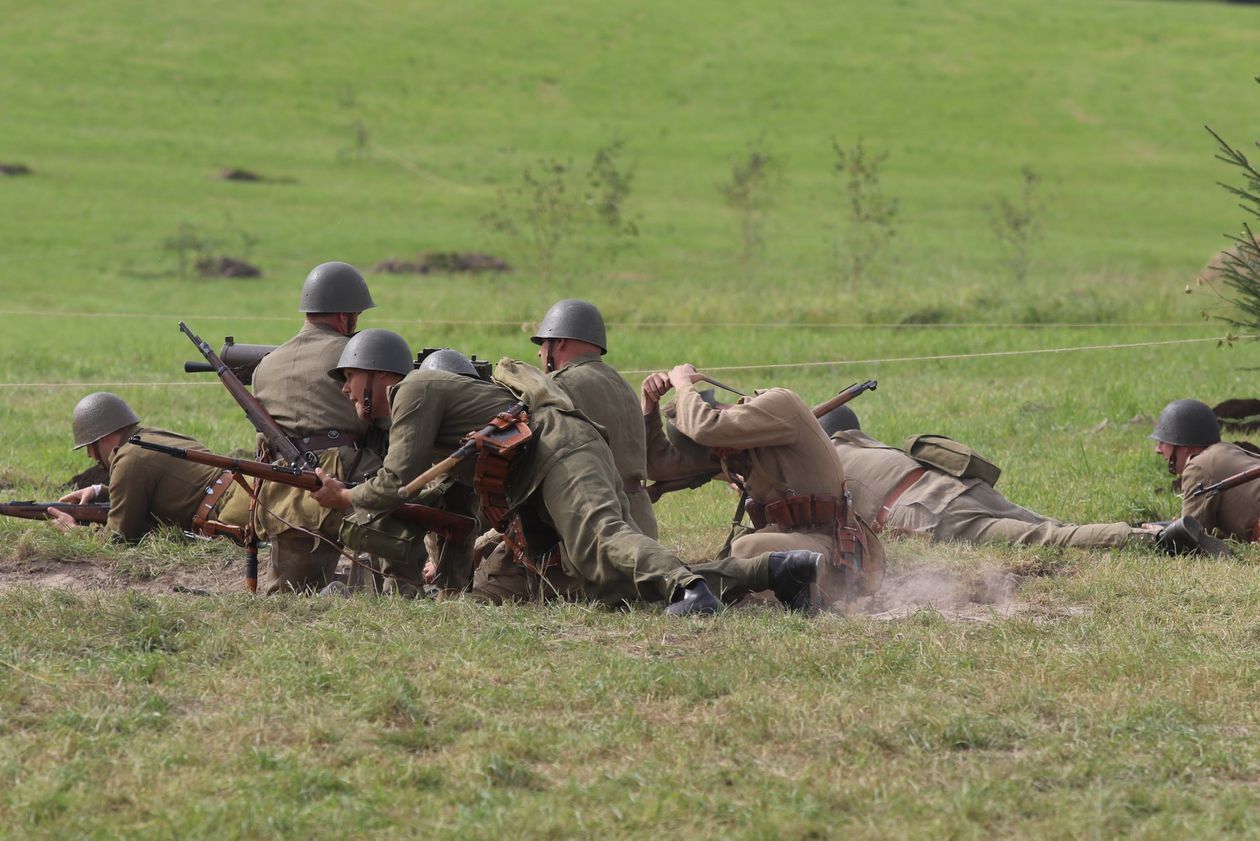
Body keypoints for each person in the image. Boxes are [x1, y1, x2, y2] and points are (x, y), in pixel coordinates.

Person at [308, 359, 822, 615]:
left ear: (371, 372)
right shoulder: (448, 429)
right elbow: (457, 516)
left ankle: (688, 588)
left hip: (559, 449)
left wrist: (346, 497)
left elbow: (395, 479)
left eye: (347, 381)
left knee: (602, 536)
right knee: (608, 582)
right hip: (540, 477)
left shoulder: (415, 389)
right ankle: (772, 570)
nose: (345, 392)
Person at [642, 365, 885, 604]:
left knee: (748, 549)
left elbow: (707, 428)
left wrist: (683, 384)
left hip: (830, 549)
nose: (718, 454)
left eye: (716, 447)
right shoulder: (732, 446)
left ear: (721, 410)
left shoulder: (780, 403)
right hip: (792, 540)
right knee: (737, 556)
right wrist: (649, 405)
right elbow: (659, 467)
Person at [819, 405, 1210, 553]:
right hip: (957, 486)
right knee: (1055, 525)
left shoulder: (823, 465)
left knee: (1049, 539)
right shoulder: (864, 444)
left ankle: (1153, 539)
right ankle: (1151, 526)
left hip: (929, 515)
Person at [229, 261, 382, 594]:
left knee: (289, 598)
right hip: (348, 481)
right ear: (346, 315)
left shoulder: (265, 366)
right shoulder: (353, 353)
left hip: (284, 489)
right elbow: (384, 420)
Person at [532, 299, 656, 538]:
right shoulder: (622, 384)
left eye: (544, 343)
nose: (539, 351)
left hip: (602, 520)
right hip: (642, 523)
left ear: (559, 342)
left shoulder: (560, 386)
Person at [52, 392, 243, 542]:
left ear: (101, 438)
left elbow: (119, 540)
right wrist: (98, 492)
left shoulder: (129, 458)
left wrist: (74, 532)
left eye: (89, 446)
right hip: (245, 488)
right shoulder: (151, 437)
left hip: (236, 510)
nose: (89, 454)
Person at [1150, 398, 1260, 542]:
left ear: (1184, 446)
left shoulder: (1199, 466)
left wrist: (1157, 532)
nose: (1158, 449)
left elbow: (1188, 540)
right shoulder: (1228, 451)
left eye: (1163, 442)